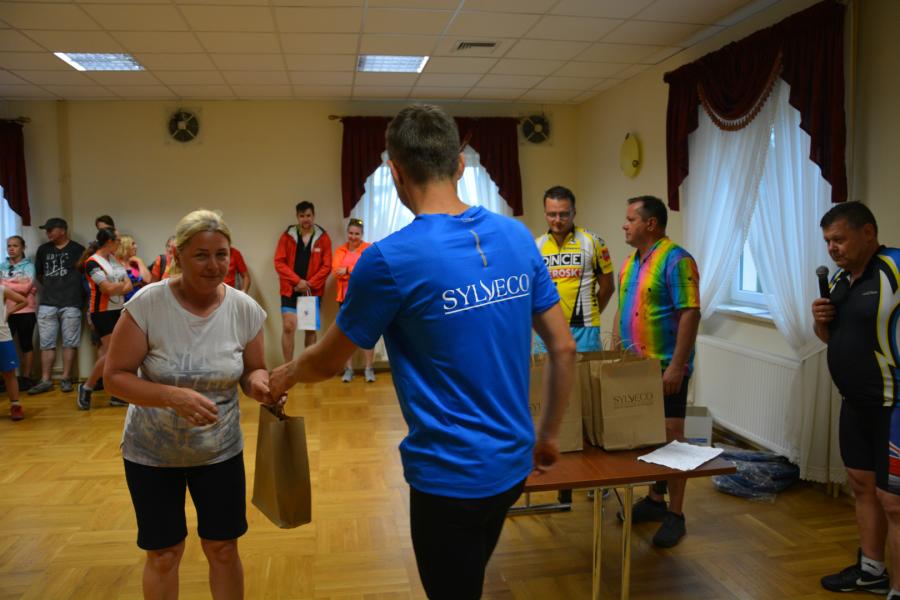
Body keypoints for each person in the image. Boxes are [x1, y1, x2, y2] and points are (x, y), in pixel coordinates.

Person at [269, 104, 575, 600]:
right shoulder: (518, 237)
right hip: (515, 464)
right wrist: (549, 436)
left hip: (448, 478)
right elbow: (563, 348)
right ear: (459, 164)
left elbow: (326, 361)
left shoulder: (387, 260)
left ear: (394, 172)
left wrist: (282, 376)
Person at [104, 209, 277, 600]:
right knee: (164, 554)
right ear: (178, 255)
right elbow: (114, 377)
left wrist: (260, 385)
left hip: (219, 451)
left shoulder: (244, 308)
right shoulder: (148, 304)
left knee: (223, 548)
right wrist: (171, 395)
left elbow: (253, 370)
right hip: (152, 454)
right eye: (201, 255)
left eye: (221, 254)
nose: (214, 265)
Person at [812, 202, 898, 597]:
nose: (832, 248)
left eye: (839, 239)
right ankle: (872, 570)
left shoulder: (894, 268)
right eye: (828, 241)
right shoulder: (839, 281)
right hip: (855, 404)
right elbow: (832, 339)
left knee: (893, 502)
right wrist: (820, 321)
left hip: (893, 407)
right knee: (862, 486)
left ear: (868, 233)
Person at [614, 195, 701, 548]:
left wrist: (677, 366)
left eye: (631, 219)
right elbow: (625, 308)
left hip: (665, 366)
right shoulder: (631, 262)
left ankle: (676, 515)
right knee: (649, 437)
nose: (624, 225)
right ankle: (654, 499)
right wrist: (617, 350)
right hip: (635, 367)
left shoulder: (677, 260)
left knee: (673, 439)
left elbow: (690, 313)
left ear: (650, 224)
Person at [535, 185, 615, 353]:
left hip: (584, 330)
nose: (557, 220)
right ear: (545, 214)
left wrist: (590, 315)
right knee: (543, 372)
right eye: (552, 214)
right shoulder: (536, 246)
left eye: (564, 214)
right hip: (546, 329)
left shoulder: (593, 241)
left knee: (586, 372)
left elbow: (608, 287)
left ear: (574, 213)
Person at [76, 228, 133, 410]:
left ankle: (116, 394)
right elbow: (107, 289)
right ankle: (86, 387)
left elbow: (129, 285)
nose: (120, 243)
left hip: (118, 310)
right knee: (110, 353)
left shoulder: (113, 259)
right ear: (109, 242)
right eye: (118, 240)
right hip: (101, 312)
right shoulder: (92, 263)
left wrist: (118, 287)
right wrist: (120, 286)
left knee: (121, 354)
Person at [28, 218, 85, 395]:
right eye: (47, 230)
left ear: (62, 230)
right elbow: (39, 274)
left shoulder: (78, 249)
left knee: (70, 342)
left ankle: (66, 378)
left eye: (50, 230)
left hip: (72, 302)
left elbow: (84, 274)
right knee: (46, 343)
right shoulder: (43, 249)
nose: (48, 233)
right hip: (47, 302)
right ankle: (45, 379)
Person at [274, 201, 332, 360]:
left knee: (310, 329)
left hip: (311, 291)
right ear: (297, 217)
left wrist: (308, 284)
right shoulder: (287, 236)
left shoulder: (323, 237)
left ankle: (308, 366)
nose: (305, 219)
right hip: (290, 289)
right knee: (288, 326)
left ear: (313, 216)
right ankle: (288, 367)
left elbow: (327, 266)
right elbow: (279, 262)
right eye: (302, 216)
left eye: (308, 215)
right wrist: (297, 281)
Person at [333, 217, 374, 383]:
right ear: (347, 233)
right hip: (345, 298)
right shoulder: (340, 250)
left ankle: (369, 369)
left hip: (365, 297)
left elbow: (368, 269)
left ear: (362, 234)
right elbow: (336, 271)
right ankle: (348, 369)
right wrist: (354, 270)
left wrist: (348, 270)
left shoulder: (368, 248)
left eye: (357, 234)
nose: (353, 237)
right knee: (346, 335)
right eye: (350, 233)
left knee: (366, 333)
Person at [0, 236, 37, 389]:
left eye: (15, 245)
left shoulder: (29, 266)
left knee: (26, 344)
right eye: (9, 245)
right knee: (3, 344)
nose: (11, 248)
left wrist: (5, 283)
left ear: (22, 248)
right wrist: (16, 283)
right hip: (5, 311)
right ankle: (5, 378)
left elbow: (25, 288)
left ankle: (26, 378)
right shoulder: (2, 266)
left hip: (25, 310)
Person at [0, 284, 29, 420]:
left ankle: (15, 406)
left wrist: (8, 312)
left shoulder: (2, 289)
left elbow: (23, 301)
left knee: (9, 372)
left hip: (2, 337)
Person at [115, 235, 151, 301]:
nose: (136, 246)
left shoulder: (135, 263)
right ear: (125, 246)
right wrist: (138, 282)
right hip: (121, 302)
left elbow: (147, 280)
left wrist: (140, 261)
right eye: (133, 244)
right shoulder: (115, 263)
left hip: (137, 301)